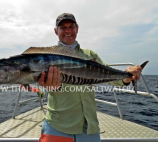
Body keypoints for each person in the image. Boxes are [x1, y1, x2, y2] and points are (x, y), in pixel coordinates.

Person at [38, 13, 142, 142]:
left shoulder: (90, 55)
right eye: (63, 27)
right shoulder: (47, 56)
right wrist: (46, 85)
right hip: (57, 125)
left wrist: (127, 76)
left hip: (89, 127)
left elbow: (110, 77)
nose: (68, 31)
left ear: (77, 29)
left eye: (71, 26)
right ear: (56, 31)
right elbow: (37, 81)